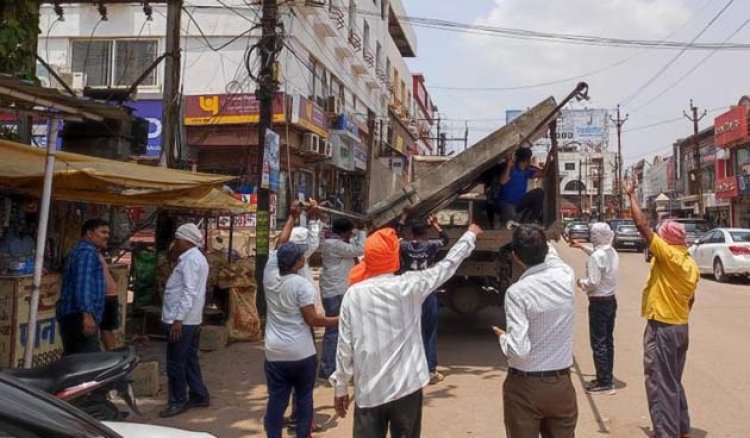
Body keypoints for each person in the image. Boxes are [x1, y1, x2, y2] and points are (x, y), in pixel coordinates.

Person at [331, 222, 481, 438]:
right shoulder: (410, 286)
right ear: (395, 257)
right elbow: (448, 265)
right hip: (407, 387)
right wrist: (469, 236)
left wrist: (341, 387)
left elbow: (344, 345)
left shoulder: (353, 294)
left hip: (369, 391)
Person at [626, 180, 699, 438]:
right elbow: (691, 299)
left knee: (659, 381)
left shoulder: (669, 256)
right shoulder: (690, 263)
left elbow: (641, 226)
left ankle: (666, 433)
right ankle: (681, 428)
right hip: (680, 326)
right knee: (672, 381)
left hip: (664, 328)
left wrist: (631, 195)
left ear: (667, 240)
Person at [494, 224, 577, 437]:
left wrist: (504, 338)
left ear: (516, 257)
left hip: (525, 386)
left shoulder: (518, 292)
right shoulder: (565, 276)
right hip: (561, 384)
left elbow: (518, 349)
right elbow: (552, 255)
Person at [263, 217, 339, 438]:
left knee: (276, 399)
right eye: (301, 258)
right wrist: (339, 320)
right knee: (304, 396)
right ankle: (302, 433)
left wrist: (292, 217)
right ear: (298, 262)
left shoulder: (270, 276)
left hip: (274, 351)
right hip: (301, 352)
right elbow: (313, 320)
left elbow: (279, 244)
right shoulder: (301, 285)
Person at [159, 223, 210, 418]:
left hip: (182, 320)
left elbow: (189, 291)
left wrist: (178, 319)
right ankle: (198, 394)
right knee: (189, 359)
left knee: (175, 362)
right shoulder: (195, 258)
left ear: (186, 241)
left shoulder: (191, 261)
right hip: (191, 319)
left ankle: (177, 400)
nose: (175, 242)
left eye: (177, 239)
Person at [399, 215, 450, 385]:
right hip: (427, 291)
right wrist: (436, 225)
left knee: (408, 331)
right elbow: (446, 239)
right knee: (429, 332)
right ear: (426, 232)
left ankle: (409, 370)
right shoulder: (431, 245)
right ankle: (430, 370)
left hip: (408, 292)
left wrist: (404, 217)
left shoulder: (404, 245)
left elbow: (395, 235)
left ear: (411, 232)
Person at [570, 223, 620, 395]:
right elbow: (596, 254)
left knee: (598, 342)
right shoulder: (610, 252)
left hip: (598, 302)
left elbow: (592, 282)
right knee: (607, 341)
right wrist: (581, 246)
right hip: (610, 301)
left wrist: (580, 283)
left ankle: (604, 383)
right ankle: (606, 376)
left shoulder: (597, 257)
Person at [317, 217, 366, 380]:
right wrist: (362, 230)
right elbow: (360, 249)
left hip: (335, 289)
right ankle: (328, 367)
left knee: (340, 329)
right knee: (334, 330)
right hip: (336, 291)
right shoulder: (335, 244)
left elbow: (353, 245)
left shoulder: (331, 240)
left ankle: (333, 365)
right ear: (344, 233)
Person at [56, 219, 110, 355]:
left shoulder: (80, 250)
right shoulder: (87, 253)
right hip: (78, 317)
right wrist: (87, 316)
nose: (107, 236)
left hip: (73, 316)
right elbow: (83, 285)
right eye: (103, 232)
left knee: (73, 362)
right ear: (89, 233)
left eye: (108, 233)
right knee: (87, 365)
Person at [494, 148, 547, 225]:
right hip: (506, 204)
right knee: (511, 217)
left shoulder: (527, 171)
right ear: (528, 160)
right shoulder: (511, 168)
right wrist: (508, 166)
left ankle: (533, 221)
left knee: (539, 192)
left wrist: (549, 158)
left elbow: (543, 174)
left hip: (518, 203)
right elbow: (503, 181)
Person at [99, 254, 120, 351]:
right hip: (111, 293)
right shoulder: (97, 254)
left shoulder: (91, 254)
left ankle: (112, 355)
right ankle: (113, 353)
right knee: (109, 330)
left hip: (107, 294)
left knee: (106, 330)